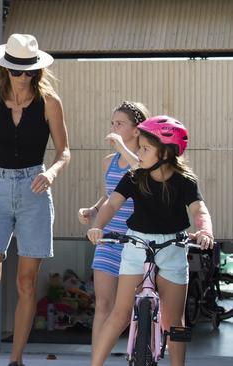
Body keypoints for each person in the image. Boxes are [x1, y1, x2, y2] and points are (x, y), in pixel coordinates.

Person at [0, 33, 70, 366]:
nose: (23, 77)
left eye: (29, 71)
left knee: (26, 281)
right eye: (17, 70)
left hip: (34, 190)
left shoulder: (50, 102)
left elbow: (64, 151)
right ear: (5, 69)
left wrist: (51, 172)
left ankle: (16, 360)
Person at [87, 116, 214, 366]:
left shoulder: (184, 180)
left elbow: (199, 210)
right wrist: (97, 226)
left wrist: (205, 231)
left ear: (166, 152)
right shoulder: (135, 176)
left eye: (145, 148)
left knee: (173, 320)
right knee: (120, 314)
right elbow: (112, 204)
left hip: (173, 248)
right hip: (137, 245)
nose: (139, 152)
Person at [77, 101, 149, 349]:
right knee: (103, 305)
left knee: (134, 306)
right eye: (113, 123)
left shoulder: (146, 158)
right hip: (109, 238)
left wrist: (121, 147)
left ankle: (139, 354)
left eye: (120, 124)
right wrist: (93, 210)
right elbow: (110, 195)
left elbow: (141, 171)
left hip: (137, 240)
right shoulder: (109, 161)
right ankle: (97, 359)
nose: (114, 128)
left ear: (137, 129)